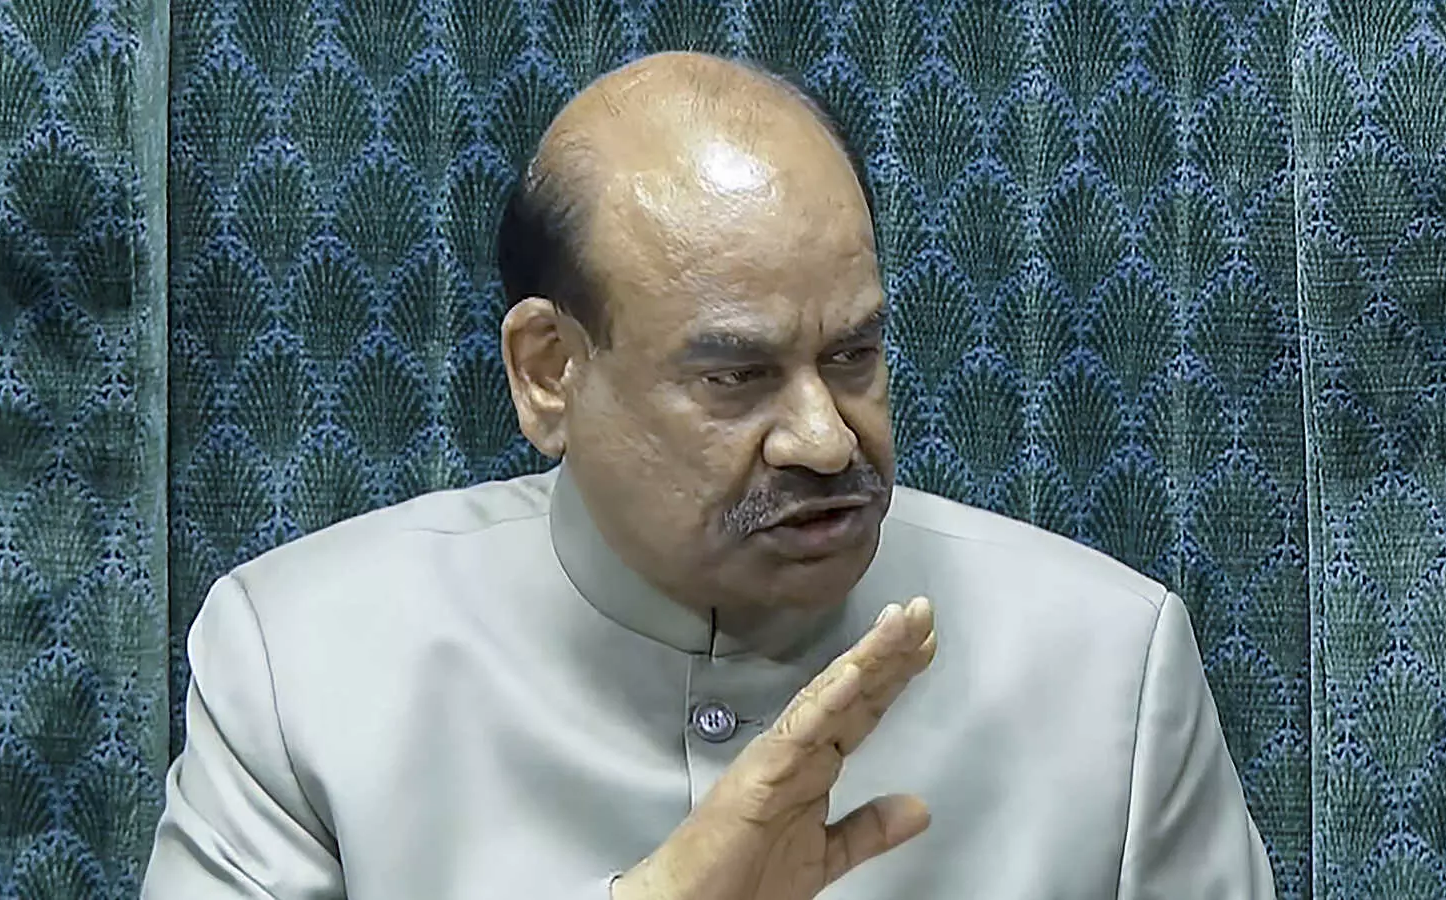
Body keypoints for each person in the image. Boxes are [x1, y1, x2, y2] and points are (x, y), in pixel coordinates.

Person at [141, 51, 1277, 899]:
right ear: (548, 372)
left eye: (854, 357)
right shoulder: (299, 664)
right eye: (736, 376)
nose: (825, 441)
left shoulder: (1109, 668)